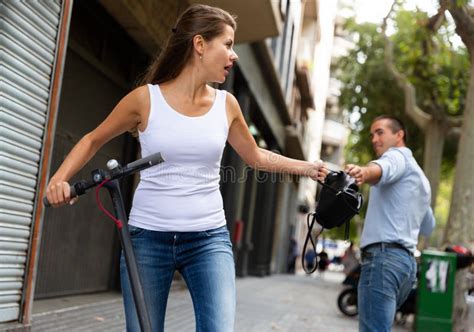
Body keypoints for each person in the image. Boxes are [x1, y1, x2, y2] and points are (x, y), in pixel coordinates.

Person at [45, 4, 328, 332]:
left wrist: (309, 167)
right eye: (228, 44)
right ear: (200, 44)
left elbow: (257, 157)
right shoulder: (145, 100)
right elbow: (93, 140)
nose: (234, 55)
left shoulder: (227, 105)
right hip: (147, 241)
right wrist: (59, 180)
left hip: (208, 239)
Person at [345, 115, 435, 332]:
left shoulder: (397, 156)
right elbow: (428, 227)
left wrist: (363, 172)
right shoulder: (422, 181)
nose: (374, 139)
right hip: (405, 267)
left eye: (380, 132)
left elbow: (382, 168)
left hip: (383, 261)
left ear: (399, 135)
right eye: (371, 135)